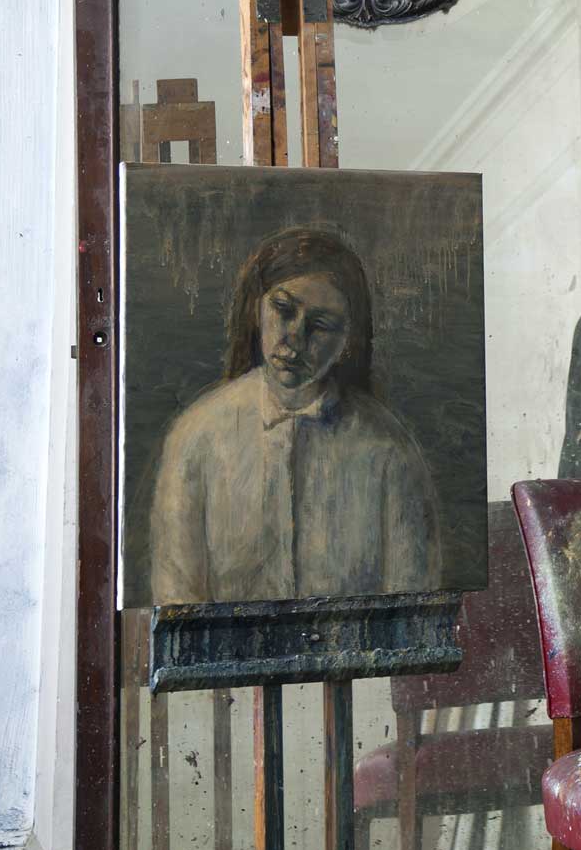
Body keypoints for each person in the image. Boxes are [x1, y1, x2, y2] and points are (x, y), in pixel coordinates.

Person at [150, 225, 443, 604]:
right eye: (283, 310)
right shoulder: (198, 434)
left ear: (348, 340)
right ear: (256, 307)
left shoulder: (387, 448)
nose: (295, 337)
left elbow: (412, 593)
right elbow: (177, 593)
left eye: (320, 325)